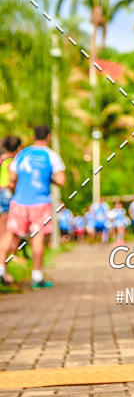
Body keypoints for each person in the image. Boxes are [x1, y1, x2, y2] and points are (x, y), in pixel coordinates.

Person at [0, 124, 65, 289]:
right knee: (38, 236)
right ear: (48, 136)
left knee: (10, 234)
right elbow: (61, 180)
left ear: (33, 136)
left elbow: (12, 178)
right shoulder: (51, 155)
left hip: (19, 201)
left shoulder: (22, 154)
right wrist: (48, 178)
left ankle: (1, 269)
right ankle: (37, 276)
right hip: (40, 202)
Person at [0, 136, 21, 240]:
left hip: (1, 192)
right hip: (7, 193)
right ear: (18, 148)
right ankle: (12, 255)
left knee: (2, 229)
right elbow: (12, 181)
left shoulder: (1, 158)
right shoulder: (12, 162)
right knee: (11, 230)